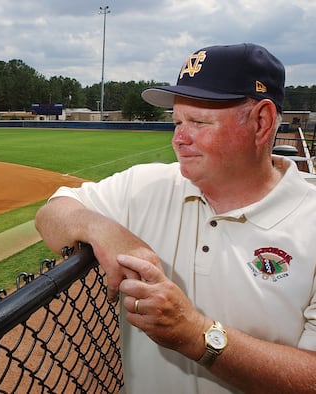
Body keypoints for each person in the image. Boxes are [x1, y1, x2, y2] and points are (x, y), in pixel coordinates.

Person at [35, 43, 316, 393]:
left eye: (198, 122)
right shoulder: (146, 184)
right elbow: (52, 212)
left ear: (262, 122)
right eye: (177, 121)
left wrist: (197, 336)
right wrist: (100, 228)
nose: (178, 139)